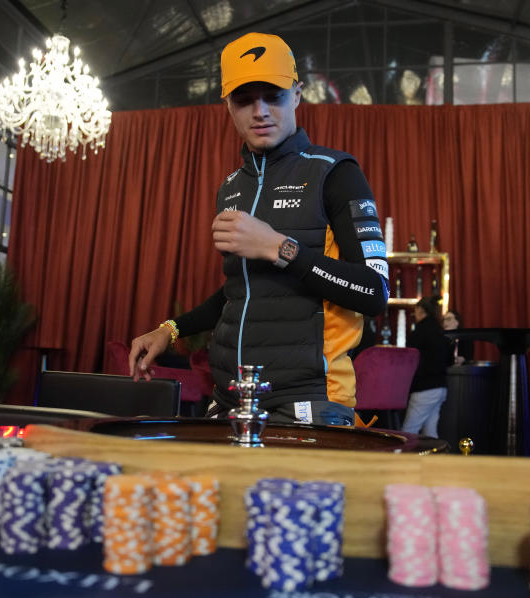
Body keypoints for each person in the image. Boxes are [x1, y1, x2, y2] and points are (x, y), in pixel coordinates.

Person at [129, 32, 389, 426]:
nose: (260, 111)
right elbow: (240, 291)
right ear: (228, 106)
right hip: (229, 395)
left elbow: (374, 292)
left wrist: (279, 248)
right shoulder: (231, 187)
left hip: (309, 398)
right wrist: (170, 329)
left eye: (274, 95)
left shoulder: (336, 173)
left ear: (298, 94)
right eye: (245, 99)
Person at [402, 296, 452, 437]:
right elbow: (449, 360)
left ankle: (400, 459)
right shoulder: (440, 331)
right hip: (441, 387)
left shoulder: (419, 333)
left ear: (420, 310)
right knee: (430, 432)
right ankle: (437, 459)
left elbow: (409, 361)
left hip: (424, 388)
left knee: (408, 432)